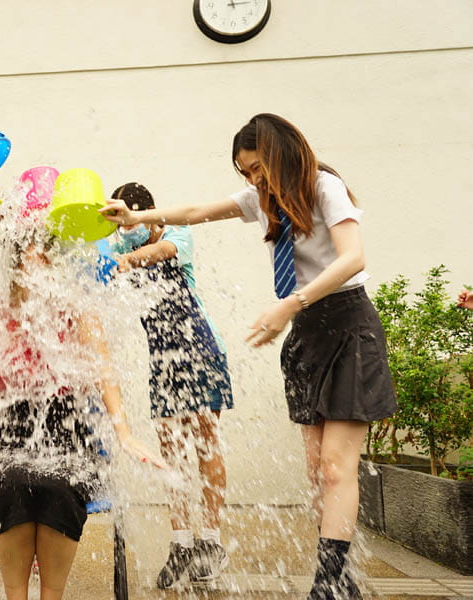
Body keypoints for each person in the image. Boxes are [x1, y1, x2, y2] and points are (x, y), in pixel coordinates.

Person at [101, 113, 397, 600]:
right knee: (316, 472)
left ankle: (326, 584)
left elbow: (353, 258)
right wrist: (137, 219)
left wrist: (291, 303)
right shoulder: (263, 200)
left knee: (334, 469)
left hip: (346, 325)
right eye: (246, 173)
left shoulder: (324, 187)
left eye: (259, 168)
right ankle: (343, 579)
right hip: (307, 332)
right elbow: (197, 211)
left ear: (282, 153)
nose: (254, 180)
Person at [0, 220, 165, 600]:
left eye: (48, 255)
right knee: (13, 484)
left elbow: (104, 373)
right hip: (4, 429)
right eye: (33, 255)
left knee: (58, 485)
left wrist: (124, 433)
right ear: (15, 261)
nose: (42, 263)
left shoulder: (76, 309)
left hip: (67, 428)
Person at [108, 182, 233, 588]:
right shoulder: (119, 247)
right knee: (170, 451)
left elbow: (159, 254)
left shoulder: (177, 235)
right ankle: (180, 544)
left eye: (130, 223)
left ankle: (210, 542)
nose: (125, 233)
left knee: (204, 442)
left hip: (201, 351)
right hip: (163, 362)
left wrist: (127, 257)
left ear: (146, 214)